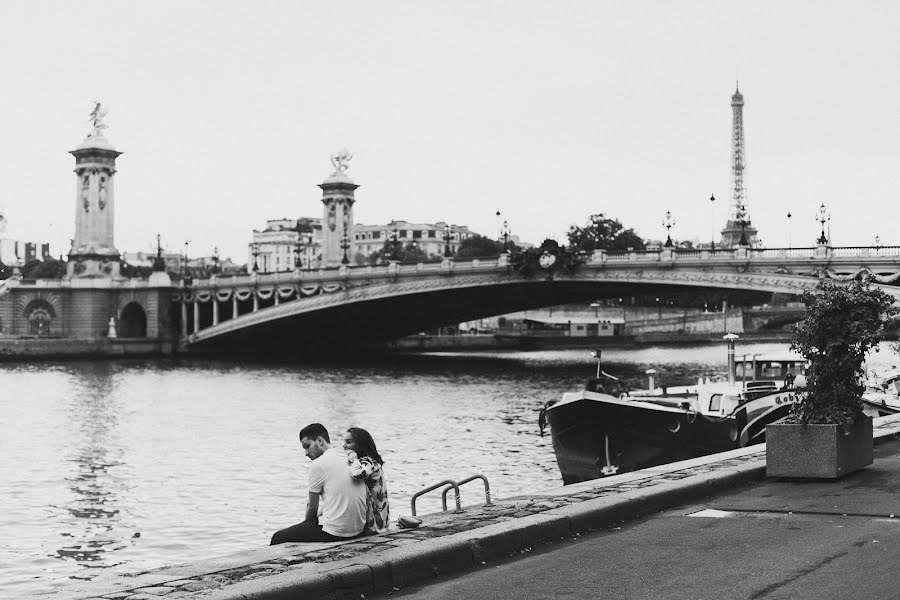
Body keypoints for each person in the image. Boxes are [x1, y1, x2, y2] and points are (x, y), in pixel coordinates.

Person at [270, 423, 366, 544]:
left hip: (336, 533)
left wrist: (306, 527)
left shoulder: (318, 464)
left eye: (307, 446)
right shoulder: (347, 455)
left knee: (278, 537)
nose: (306, 453)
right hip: (358, 529)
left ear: (320, 441)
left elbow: (312, 507)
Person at [344, 427, 390, 534]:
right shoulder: (368, 462)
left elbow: (357, 474)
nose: (344, 446)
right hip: (380, 522)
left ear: (360, 444)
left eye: (348, 442)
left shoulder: (368, 462)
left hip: (375, 524)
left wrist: (353, 458)